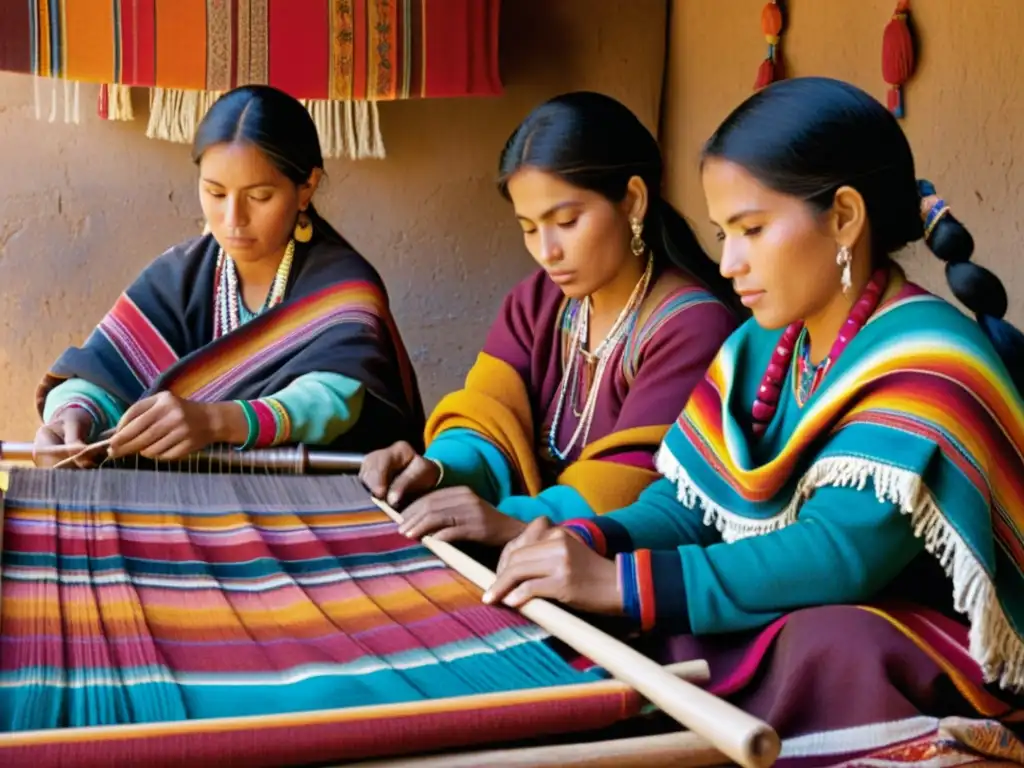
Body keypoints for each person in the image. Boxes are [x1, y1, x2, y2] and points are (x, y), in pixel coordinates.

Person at [486, 77, 1024, 764]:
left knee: (828, 641)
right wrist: (586, 538)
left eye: (751, 229)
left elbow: (836, 557)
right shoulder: (763, 345)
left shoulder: (930, 359)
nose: (728, 262)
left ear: (845, 217)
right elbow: (688, 508)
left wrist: (618, 583)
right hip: (807, 607)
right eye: (721, 233)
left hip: (913, 641)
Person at [360, 92, 740, 547]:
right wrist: (437, 472)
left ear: (634, 200)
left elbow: (632, 490)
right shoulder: (537, 303)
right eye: (528, 227)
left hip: (621, 579)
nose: (547, 251)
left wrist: (502, 521)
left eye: (566, 220)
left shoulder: (691, 327)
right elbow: (485, 416)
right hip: (527, 558)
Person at [34, 85, 424, 465]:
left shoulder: (343, 289)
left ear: (307, 188)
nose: (233, 219)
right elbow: (104, 371)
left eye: (259, 197)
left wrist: (214, 421)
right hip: (181, 501)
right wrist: (74, 414)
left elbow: (332, 398)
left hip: (311, 499)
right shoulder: (180, 277)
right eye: (216, 194)